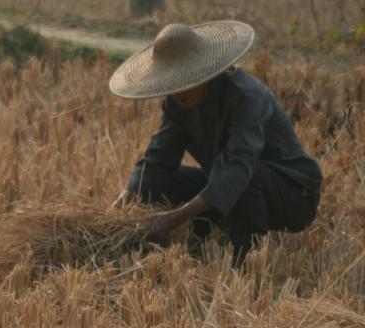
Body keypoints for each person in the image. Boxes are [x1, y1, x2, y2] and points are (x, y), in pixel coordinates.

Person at [109, 21, 323, 265]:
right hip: (230, 180)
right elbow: (158, 159)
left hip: (292, 194)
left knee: (240, 178)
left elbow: (236, 169)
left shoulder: (246, 97)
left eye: (185, 80)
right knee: (164, 181)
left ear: (204, 73)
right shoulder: (176, 105)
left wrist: (175, 217)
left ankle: (245, 258)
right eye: (172, 82)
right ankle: (190, 239)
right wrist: (128, 194)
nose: (178, 91)